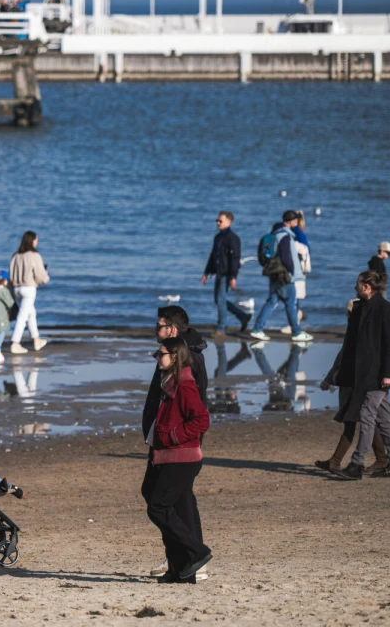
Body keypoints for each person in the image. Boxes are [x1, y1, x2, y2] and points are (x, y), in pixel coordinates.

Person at [144, 305, 209, 581]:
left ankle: (195, 557)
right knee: (157, 498)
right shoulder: (170, 370)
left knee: (168, 505)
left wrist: (176, 438)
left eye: (159, 326)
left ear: (171, 330)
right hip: (162, 449)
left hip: (179, 452)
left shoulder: (187, 370)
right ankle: (180, 564)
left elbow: (200, 416)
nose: (155, 332)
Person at [332, 271, 390, 480]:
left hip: (379, 375)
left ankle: (356, 464)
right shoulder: (362, 308)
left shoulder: (387, 310)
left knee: (366, 415)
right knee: (384, 418)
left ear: (366, 287)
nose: (355, 288)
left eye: (358, 285)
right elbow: (354, 345)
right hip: (365, 374)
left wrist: (389, 374)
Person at [316, 300, 390, 474]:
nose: (346, 315)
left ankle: (337, 461)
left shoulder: (358, 331)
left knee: (354, 422)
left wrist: (330, 378)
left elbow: (344, 358)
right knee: (363, 422)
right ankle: (381, 458)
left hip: (354, 383)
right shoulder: (358, 330)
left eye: (348, 312)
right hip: (353, 381)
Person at [247, 211, 313, 343]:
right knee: (291, 303)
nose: (296, 223)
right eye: (295, 220)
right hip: (284, 276)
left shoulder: (275, 234)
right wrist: (291, 271)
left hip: (274, 274)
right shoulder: (285, 236)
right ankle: (296, 332)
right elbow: (285, 257)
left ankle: (257, 329)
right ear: (291, 221)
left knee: (272, 301)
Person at [201, 211, 249, 336]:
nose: (217, 223)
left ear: (228, 222)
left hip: (227, 273)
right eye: (217, 220)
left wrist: (233, 277)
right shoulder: (218, 238)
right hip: (218, 272)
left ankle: (221, 329)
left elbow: (235, 259)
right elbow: (213, 256)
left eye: (220, 221)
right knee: (219, 300)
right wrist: (206, 273)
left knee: (220, 299)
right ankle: (242, 316)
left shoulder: (233, 238)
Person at [8, 230, 50, 354]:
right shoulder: (34, 256)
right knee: (23, 316)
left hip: (17, 289)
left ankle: (36, 340)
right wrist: (46, 277)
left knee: (31, 313)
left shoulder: (16, 255)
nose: (37, 242)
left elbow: (10, 273)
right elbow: (40, 276)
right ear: (32, 241)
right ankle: (15, 343)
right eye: (36, 240)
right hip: (28, 289)